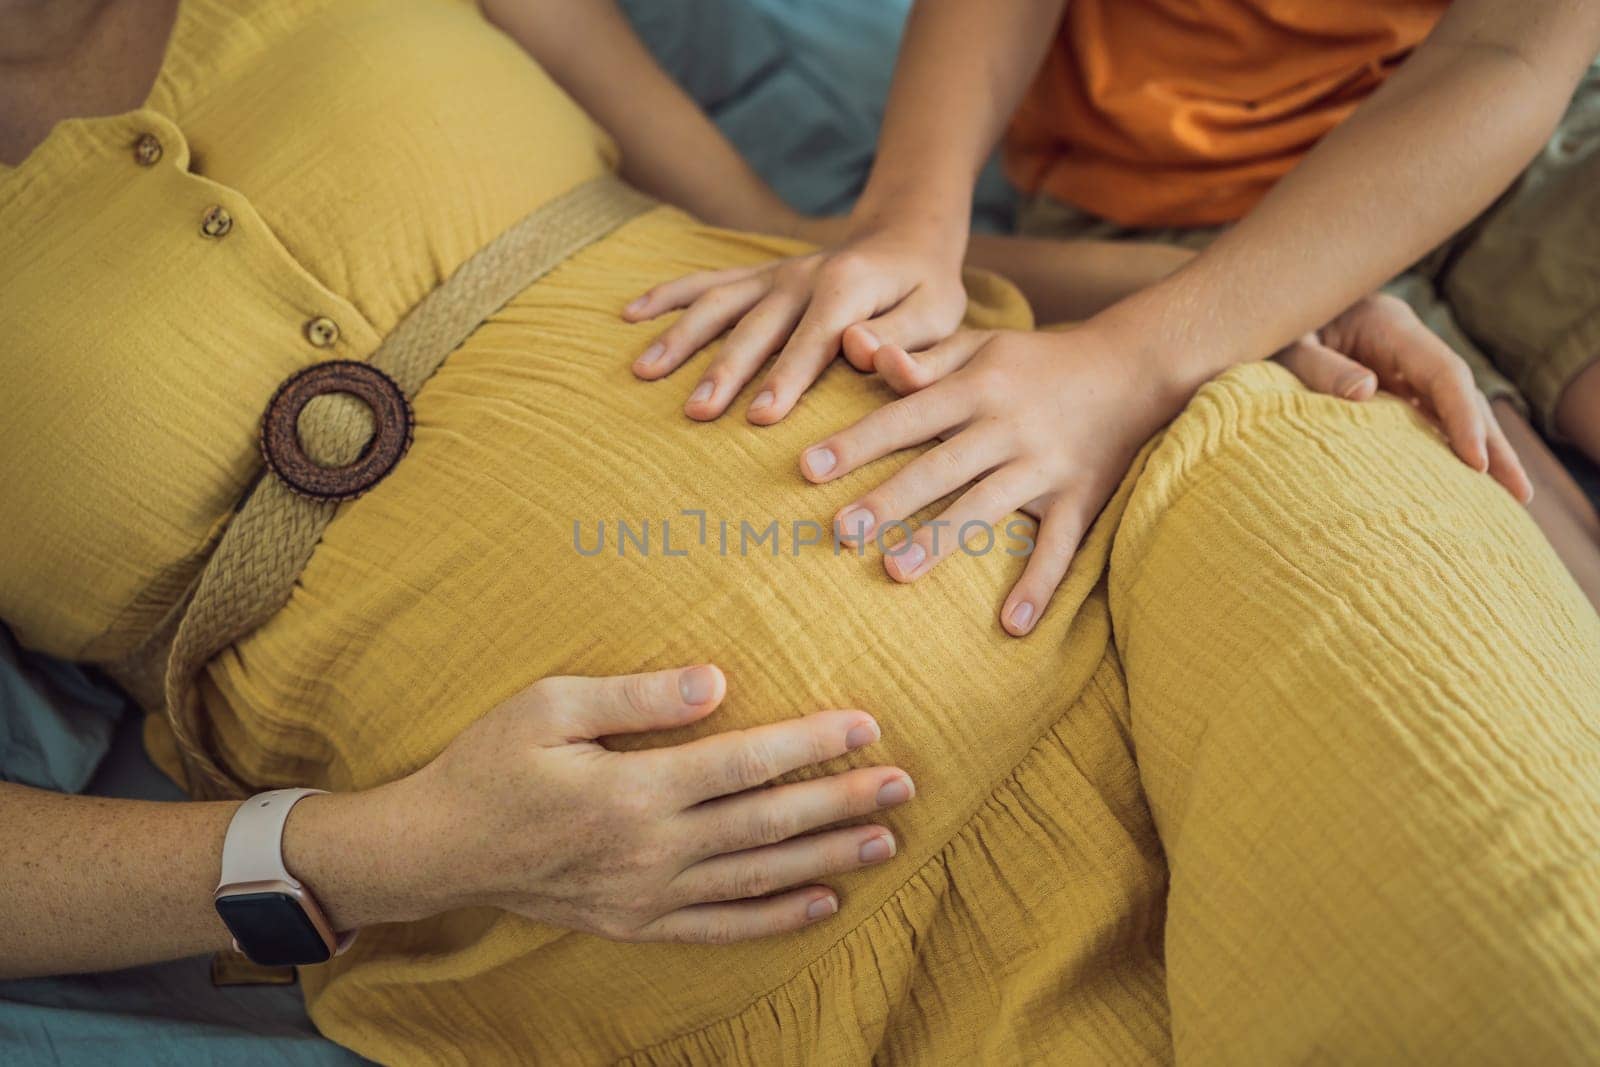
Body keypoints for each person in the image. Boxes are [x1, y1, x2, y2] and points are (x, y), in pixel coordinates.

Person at [2, 0, 1598, 1062]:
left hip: (1190, 513)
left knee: (1538, 956)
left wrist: (1233, 319)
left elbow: (810, 248)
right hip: (750, 954)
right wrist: (360, 856)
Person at [633, 0, 1600, 622]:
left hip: (1501, 123)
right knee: (1535, 565)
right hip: (1159, 195)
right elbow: (764, 222)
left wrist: (1140, 354)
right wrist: (907, 225)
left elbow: (1509, 50)